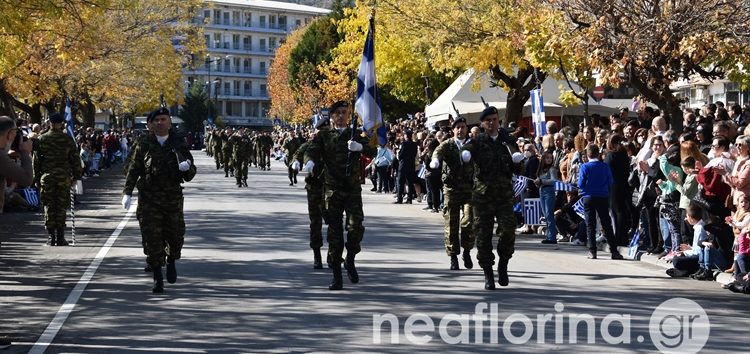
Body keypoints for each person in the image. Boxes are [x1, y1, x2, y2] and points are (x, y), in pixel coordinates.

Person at [301, 101, 376, 290]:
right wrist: (309, 162)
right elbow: (311, 150)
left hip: (352, 190)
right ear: (332, 116)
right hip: (332, 191)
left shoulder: (356, 134)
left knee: (355, 228)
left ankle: (350, 259)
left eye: (345, 112)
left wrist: (360, 148)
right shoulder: (324, 135)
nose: (342, 116)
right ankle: (336, 274)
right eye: (338, 113)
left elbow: (373, 149)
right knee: (334, 234)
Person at [122, 107, 197, 293]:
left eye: (164, 119)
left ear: (170, 123)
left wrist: (186, 167)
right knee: (152, 238)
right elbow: (132, 169)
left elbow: (190, 174)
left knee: (175, 236)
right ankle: (157, 276)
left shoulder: (178, 143)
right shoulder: (143, 143)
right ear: (149, 124)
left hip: (172, 199)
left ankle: (171, 261)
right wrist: (127, 192)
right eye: (156, 120)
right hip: (149, 199)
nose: (160, 123)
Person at [461, 106, 519, 290]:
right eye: (489, 120)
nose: (492, 123)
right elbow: (465, 151)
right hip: (483, 197)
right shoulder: (478, 141)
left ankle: (503, 264)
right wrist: (465, 155)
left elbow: (517, 166)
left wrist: (519, 162)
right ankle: (488, 272)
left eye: (495, 119)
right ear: (483, 123)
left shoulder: (507, 141)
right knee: (483, 236)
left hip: (504, 196)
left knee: (509, 230)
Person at [431, 116, 475, 270]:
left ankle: (467, 250)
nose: (460, 130)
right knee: (451, 223)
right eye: (457, 127)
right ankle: (453, 256)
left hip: (469, 189)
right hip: (451, 189)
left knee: (469, 220)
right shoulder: (448, 144)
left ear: (466, 129)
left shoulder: (472, 145)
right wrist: (435, 160)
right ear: (453, 130)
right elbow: (437, 151)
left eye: (463, 127)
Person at [33, 112, 83, 246]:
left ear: (50, 123)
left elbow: (36, 161)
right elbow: (75, 159)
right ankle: (60, 237)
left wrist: (36, 179)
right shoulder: (67, 139)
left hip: (47, 177)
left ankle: (51, 237)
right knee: (60, 206)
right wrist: (77, 176)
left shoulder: (42, 139)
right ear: (62, 124)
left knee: (49, 206)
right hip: (63, 177)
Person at [293, 119, 330, 269]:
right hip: (314, 188)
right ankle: (317, 256)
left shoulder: (333, 145)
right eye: (322, 131)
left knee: (334, 223)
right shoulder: (310, 144)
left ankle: (333, 255)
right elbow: (298, 153)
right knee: (316, 223)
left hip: (331, 189)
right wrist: (296, 162)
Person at [577, 143, 623, 260]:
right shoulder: (604, 166)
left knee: (590, 225)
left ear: (587, 155)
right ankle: (614, 251)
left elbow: (580, 184)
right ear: (598, 154)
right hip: (602, 196)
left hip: (588, 197)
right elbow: (610, 181)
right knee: (606, 224)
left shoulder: (585, 167)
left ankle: (592, 251)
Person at [394, 129, 418, 204]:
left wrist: (397, 152)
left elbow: (400, 156)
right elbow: (414, 154)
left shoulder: (403, 144)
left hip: (403, 165)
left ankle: (399, 198)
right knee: (410, 182)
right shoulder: (414, 144)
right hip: (411, 164)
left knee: (401, 182)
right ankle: (409, 198)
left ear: (406, 136)